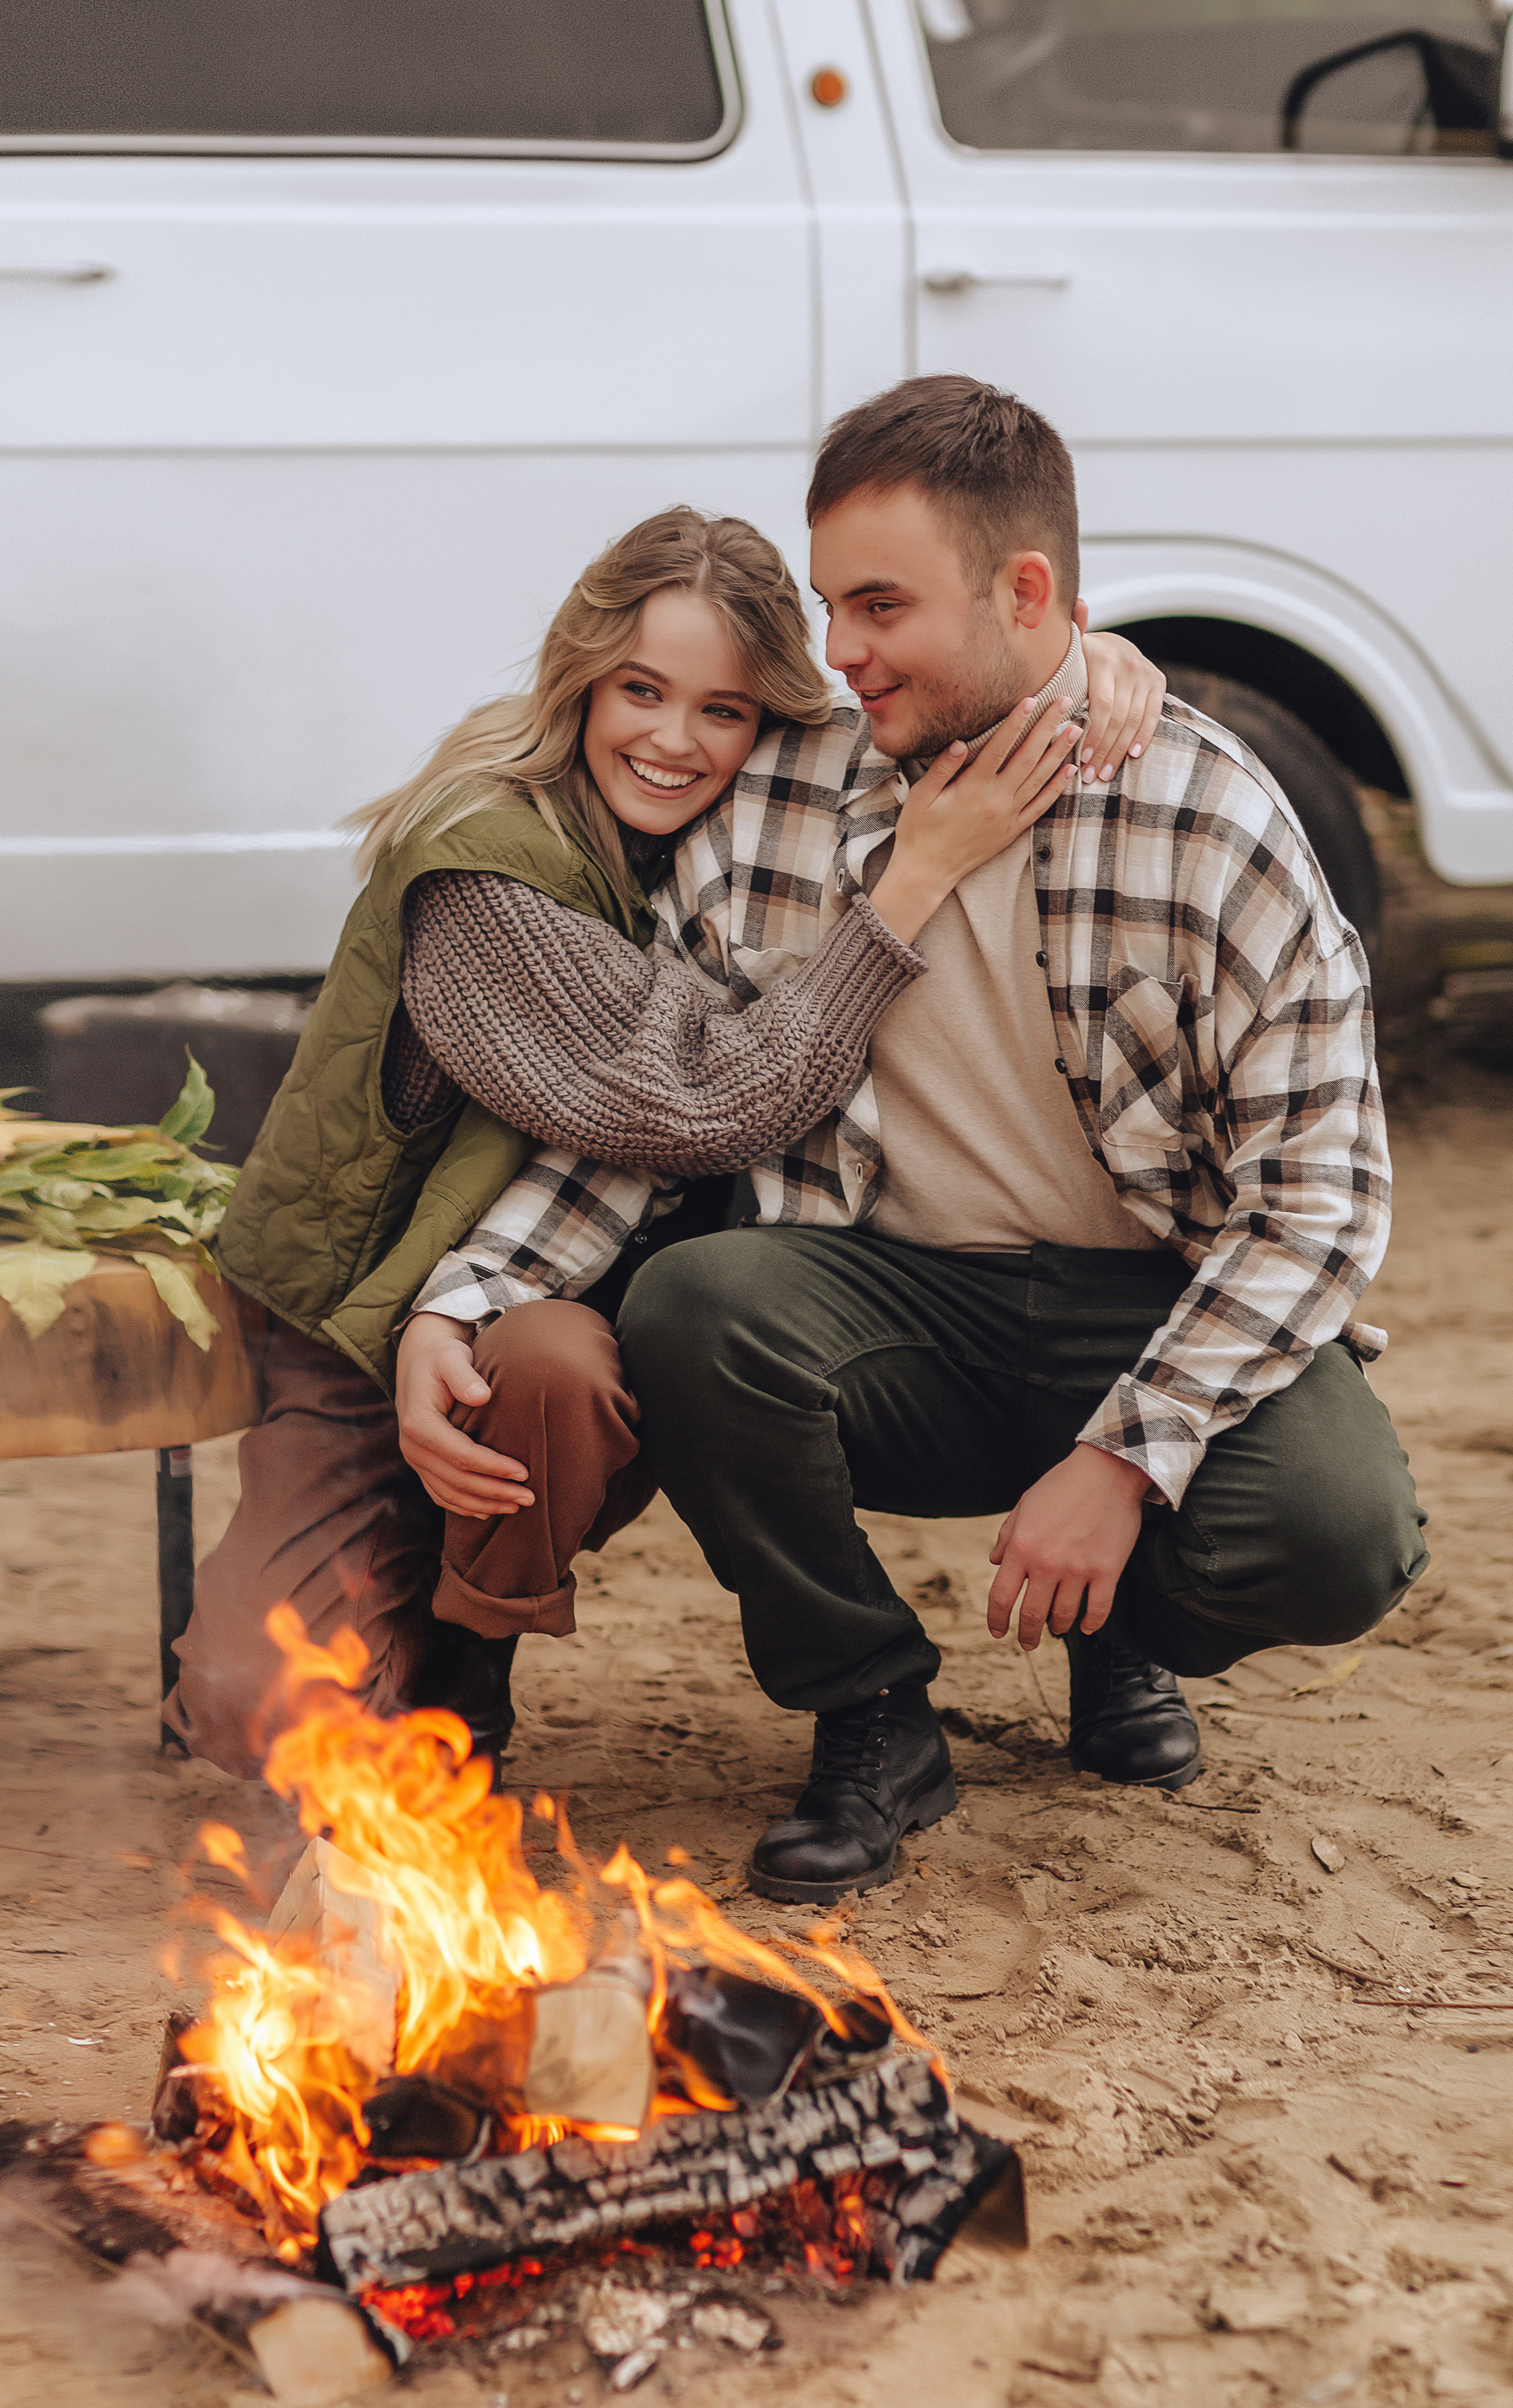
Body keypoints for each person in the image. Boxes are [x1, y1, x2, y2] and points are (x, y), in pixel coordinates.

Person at [410, 377, 1429, 1905]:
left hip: (1138, 1305)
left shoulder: (1209, 822)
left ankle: (1121, 1633)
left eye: (878, 606)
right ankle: (869, 1707)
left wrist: (1124, 1462)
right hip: (895, 1310)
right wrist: (465, 1298)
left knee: (1336, 1533)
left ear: (1027, 595)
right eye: (829, 609)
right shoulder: (782, 806)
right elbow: (660, 1105)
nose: (838, 656)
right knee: (699, 1307)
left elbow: (1321, 1210)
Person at [166, 504, 1164, 1775]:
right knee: (256, 1709)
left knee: (560, 1368)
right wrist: (905, 889)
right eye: (639, 690)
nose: (673, 740)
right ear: (581, 675)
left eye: (722, 710)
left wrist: (1094, 671)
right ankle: (397, 1592)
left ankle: (472, 1646)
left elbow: (923, 711)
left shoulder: (722, 808)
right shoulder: (485, 870)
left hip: (561, 1299)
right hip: (373, 1323)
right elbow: (701, 1107)